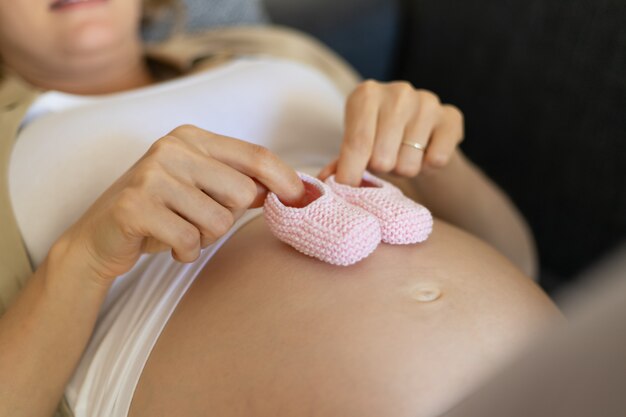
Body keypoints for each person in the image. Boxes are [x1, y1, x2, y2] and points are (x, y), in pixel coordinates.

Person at [0, 1, 561, 416]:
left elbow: (518, 256)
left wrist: (435, 158)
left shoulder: (279, 52)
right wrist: (87, 253)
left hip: (551, 363)